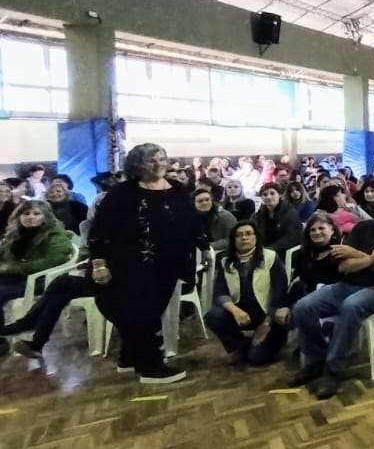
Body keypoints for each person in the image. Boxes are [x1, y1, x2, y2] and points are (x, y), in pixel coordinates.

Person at [89, 143, 201, 383]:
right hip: (131, 265)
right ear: (137, 165)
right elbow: (100, 231)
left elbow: (191, 221)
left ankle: (129, 358)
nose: (159, 164)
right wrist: (99, 264)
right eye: (152, 160)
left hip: (170, 263)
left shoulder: (178, 189)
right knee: (142, 314)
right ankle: (151, 366)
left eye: (162, 158)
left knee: (151, 311)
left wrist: (202, 244)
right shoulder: (122, 194)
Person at [289, 189, 374, 399]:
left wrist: (361, 257)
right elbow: (344, 266)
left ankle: (333, 370)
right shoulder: (362, 228)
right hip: (345, 283)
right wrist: (372, 259)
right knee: (303, 307)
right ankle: (316, 361)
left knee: (351, 306)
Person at [205, 221, 288, 366]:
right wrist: (235, 310)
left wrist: (266, 324)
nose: (244, 238)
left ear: (256, 237)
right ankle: (239, 346)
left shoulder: (270, 257)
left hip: (269, 319)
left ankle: (259, 344)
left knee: (256, 359)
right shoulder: (226, 261)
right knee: (213, 316)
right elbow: (219, 292)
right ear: (233, 240)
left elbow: (280, 292)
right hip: (242, 318)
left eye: (249, 234)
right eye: (239, 235)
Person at [0, 200, 76, 356]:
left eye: (36, 214)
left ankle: (0, 339)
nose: (30, 217)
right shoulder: (16, 234)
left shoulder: (55, 235)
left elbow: (52, 261)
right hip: (16, 277)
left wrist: (12, 268)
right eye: (26, 213)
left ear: (46, 217)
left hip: (39, 281)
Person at [283, 212, 344, 314]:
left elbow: (335, 284)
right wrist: (285, 306)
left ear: (332, 230)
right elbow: (294, 283)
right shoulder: (303, 254)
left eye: (321, 228)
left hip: (329, 302)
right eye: (313, 230)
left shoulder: (340, 253)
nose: (317, 232)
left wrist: (303, 277)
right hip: (302, 299)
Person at [251, 182, 302, 257]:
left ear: (280, 195)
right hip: (262, 251)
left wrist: (267, 250)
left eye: (272, 193)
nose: (268, 197)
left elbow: (290, 239)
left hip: (283, 253)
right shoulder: (257, 216)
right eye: (265, 194)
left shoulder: (291, 214)